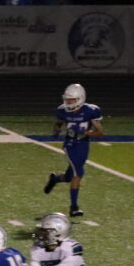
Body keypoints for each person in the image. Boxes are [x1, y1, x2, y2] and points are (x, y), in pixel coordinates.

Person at [43, 83, 103, 217]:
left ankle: (56, 179)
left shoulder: (90, 111)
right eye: (68, 100)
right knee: (78, 173)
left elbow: (99, 133)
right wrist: (56, 131)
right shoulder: (62, 111)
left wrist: (85, 132)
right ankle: (74, 207)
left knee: (69, 176)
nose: (69, 102)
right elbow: (58, 122)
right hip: (70, 144)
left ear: (80, 98)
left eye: (72, 100)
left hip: (84, 144)